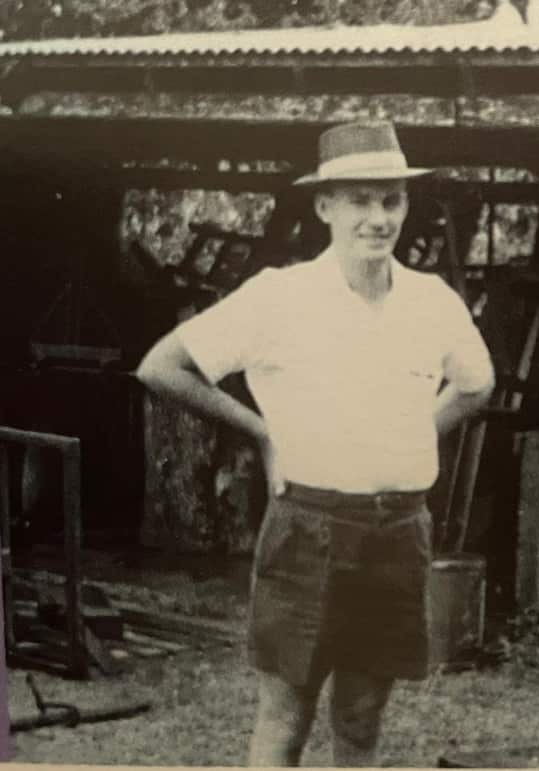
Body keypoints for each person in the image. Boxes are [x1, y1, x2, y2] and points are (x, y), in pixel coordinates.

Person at [136, 120, 495, 767]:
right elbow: (162, 365)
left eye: (391, 200)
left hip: (397, 533)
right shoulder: (280, 296)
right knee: (286, 716)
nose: (378, 218)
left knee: (361, 717)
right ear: (325, 205)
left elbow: (478, 384)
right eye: (359, 199)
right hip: (309, 531)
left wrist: (415, 431)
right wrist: (261, 430)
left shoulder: (432, 301)